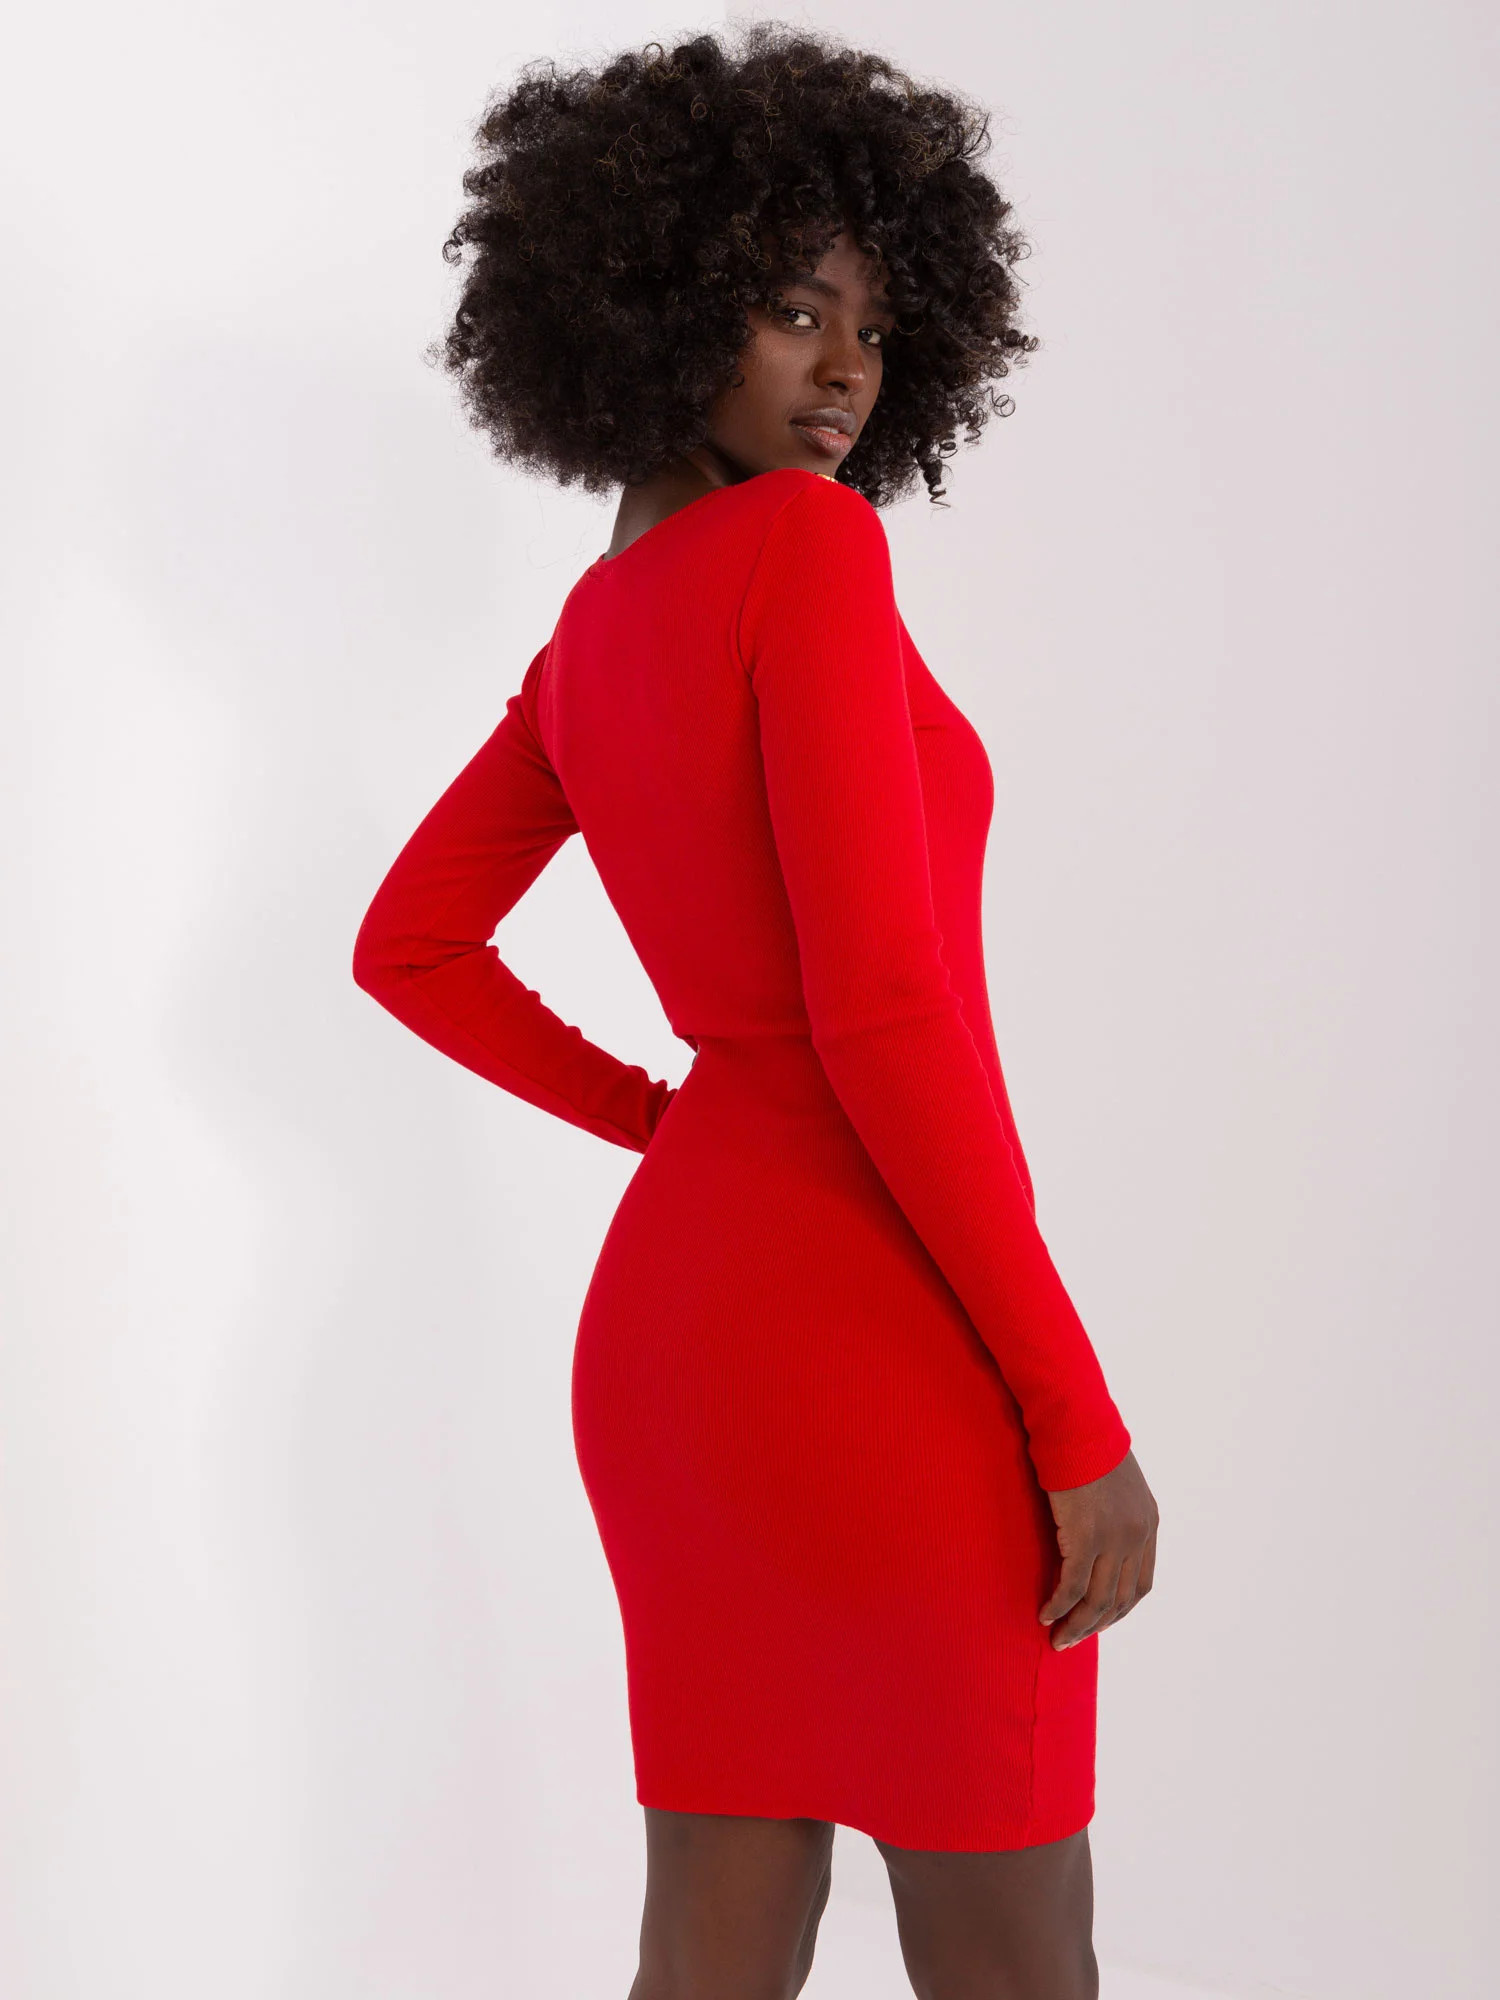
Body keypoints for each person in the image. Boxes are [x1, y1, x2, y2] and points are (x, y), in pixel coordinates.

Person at [352, 25, 1159, 2000]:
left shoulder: (587, 640)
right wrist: (1076, 1420)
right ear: (658, 307)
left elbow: (409, 946)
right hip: (880, 1331)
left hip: (683, 1343)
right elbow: (880, 1010)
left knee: (714, 1938)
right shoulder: (804, 547)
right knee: (1018, 1957)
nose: (846, 370)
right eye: (795, 311)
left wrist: (678, 1119)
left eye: (874, 328)